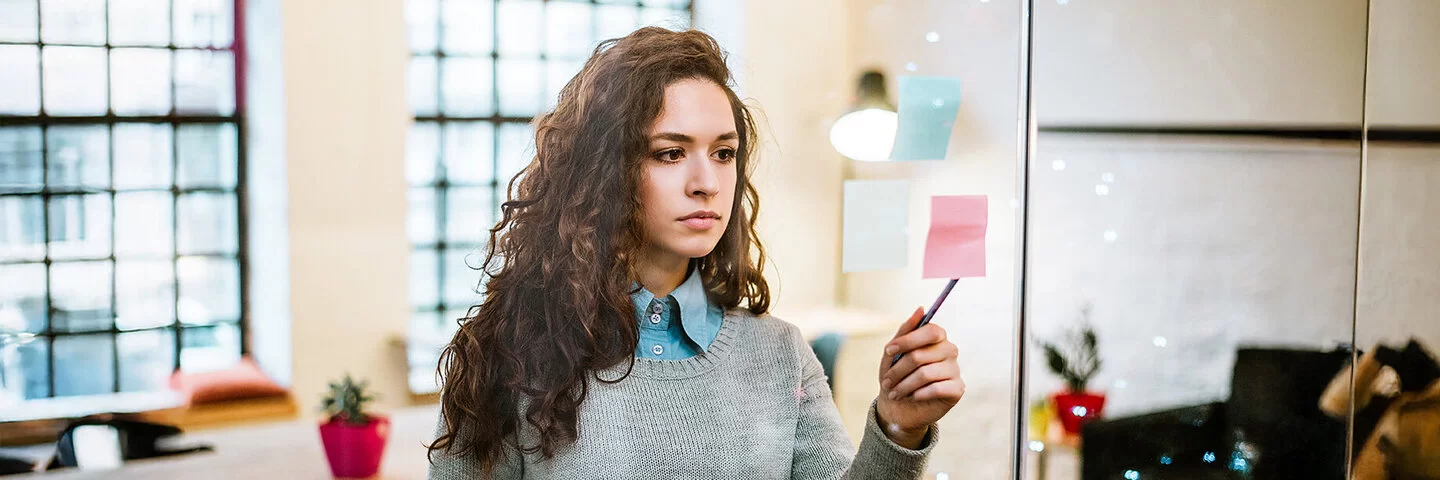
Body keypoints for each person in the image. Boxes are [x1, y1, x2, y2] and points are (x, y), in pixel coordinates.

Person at [425, 27, 964, 479]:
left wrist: (898, 426)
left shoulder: (779, 354)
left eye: (724, 153)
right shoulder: (511, 353)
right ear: (603, 172)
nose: (707, 182)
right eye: (670, 153)